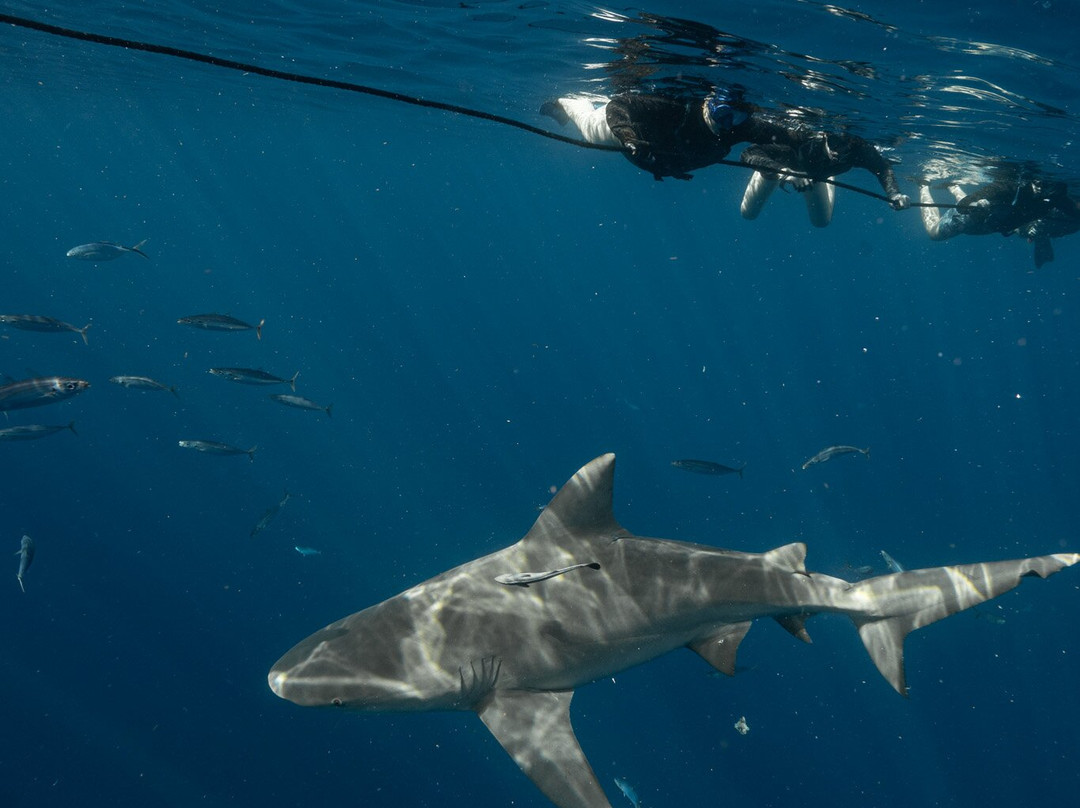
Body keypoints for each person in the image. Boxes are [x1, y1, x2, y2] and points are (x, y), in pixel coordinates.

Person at [541, 90, 910, 226]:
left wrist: (797, 155)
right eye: (722, 113)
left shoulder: (738, 127)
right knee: (590, 125)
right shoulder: (675, 106)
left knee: (818, 219)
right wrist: (630, 139)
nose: (727, 124)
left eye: (737, 115)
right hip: (633, 144)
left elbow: (768, 140)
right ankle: (571, 101)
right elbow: (619, 107)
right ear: (708, 103)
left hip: (667, 160)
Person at [919, 174, 1080, 267]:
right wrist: (975, 204)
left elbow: (1074, 212)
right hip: (972, 219)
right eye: (1039, 184)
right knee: (934, 233)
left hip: (992, 227)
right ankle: (923, 185)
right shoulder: (1008, 187)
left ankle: (953, 186)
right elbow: (963, 206)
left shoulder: (1055, 197)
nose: (1042, 189)